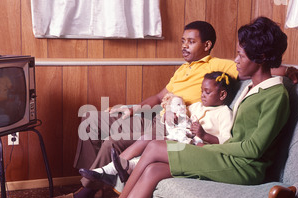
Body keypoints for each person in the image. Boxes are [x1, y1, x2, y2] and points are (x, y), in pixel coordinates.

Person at [58, 16, 292, 198]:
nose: (236, 60)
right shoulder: (251, 87)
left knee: (156, 146)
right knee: (153, 170)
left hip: (245, 167)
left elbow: (253, 149)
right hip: (228, 156)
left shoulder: (276, 95)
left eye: (241, 56)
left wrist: (211, 145)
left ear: (261, 58)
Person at [42, 20, 298, 198]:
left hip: (173, 123)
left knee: (113, 142)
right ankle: (97, 187)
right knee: (91, 123)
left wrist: (294, 71)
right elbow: (159, 95)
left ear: (207, 45)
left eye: (191, 41)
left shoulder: (220, 65)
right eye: (183, 41)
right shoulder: (182, 69)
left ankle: (84, 193)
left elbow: (263, 66)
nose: (184, 46)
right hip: (156, 113)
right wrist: (131, 109)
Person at [78, 71, 235, 185]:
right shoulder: (196, 105)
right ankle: (111, 169)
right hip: (174, 133)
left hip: (195, 147)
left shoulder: (224, 113)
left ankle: (111, 171)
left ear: (222, 95)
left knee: (149, 142)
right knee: (147, 139)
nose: (202, 95)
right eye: (201, 91)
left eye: (207, 92)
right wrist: (169, 114)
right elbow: (178, 114)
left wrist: (204, 135)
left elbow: (227, 142)